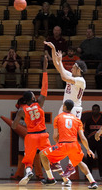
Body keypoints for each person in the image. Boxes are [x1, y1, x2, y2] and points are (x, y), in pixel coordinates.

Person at [44, 41, 87, 177]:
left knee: (71, 138)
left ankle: (70, 165)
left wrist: (59, 61)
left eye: (74, 66)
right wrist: (54, 50)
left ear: (78, 69)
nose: (71, 68)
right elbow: (59, 68)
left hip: (74, 109)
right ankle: (56, 160)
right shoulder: (71, 76)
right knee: (57, 135)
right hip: (64, 107)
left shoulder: (81, 80)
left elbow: (62, 75)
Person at [39, 99, 98, 189]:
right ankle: (93, 182)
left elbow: (55, 136)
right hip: (74, 145)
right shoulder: (77, 120)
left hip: (63, 145)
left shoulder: (58, 117)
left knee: (42, 154)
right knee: (79, 162)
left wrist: (58, 147)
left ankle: (50, 178)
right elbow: (82, 138)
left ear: (64, 106)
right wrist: (88, 149)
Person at [11, 55, 51, 186]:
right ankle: (57, 176)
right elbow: (44, 88)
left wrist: (25, 124)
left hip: (31, 136)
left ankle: (28, 172)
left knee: (28, 160)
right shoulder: (39, 103)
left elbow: (14, 125)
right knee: (48, 156)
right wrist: (44, 69)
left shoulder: (22, 110)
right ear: (33, 97)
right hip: (43, 134)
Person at [82, 104, 102, 178]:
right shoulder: (89, 120)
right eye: (94, 109)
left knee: (101, 159)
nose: (95, 111)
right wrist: (88, 138)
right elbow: (86, 131)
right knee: (89, 159)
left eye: (96, 109)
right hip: (91, 142)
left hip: (101, 142)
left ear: (99, 110)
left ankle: (101, 176)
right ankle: (88, 176)